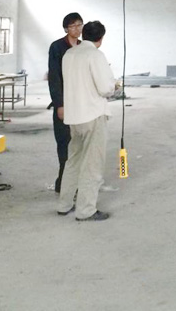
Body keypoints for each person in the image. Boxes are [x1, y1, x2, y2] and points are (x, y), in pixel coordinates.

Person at [57, 20, 115, 221]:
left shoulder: (69, 54)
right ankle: (86, 210)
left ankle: (64, 204)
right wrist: (114, 86)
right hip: (92, 115)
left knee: (73, 161)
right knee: (92, 165)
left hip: (75, 116)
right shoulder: (95, 55)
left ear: (84, 34)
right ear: (101, 38)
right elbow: (105, 88)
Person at [47, 12, 83, 193]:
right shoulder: (57, 47)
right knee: (64, 142)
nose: (76, 29)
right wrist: (59, 104)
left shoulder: (84, 47)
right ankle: (63, 182)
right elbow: (54, 77)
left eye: (79, 25)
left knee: (79, 144)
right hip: (65, 103)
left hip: (80, 104)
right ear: (66, 29)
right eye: (72, 26)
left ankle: (75, 182)